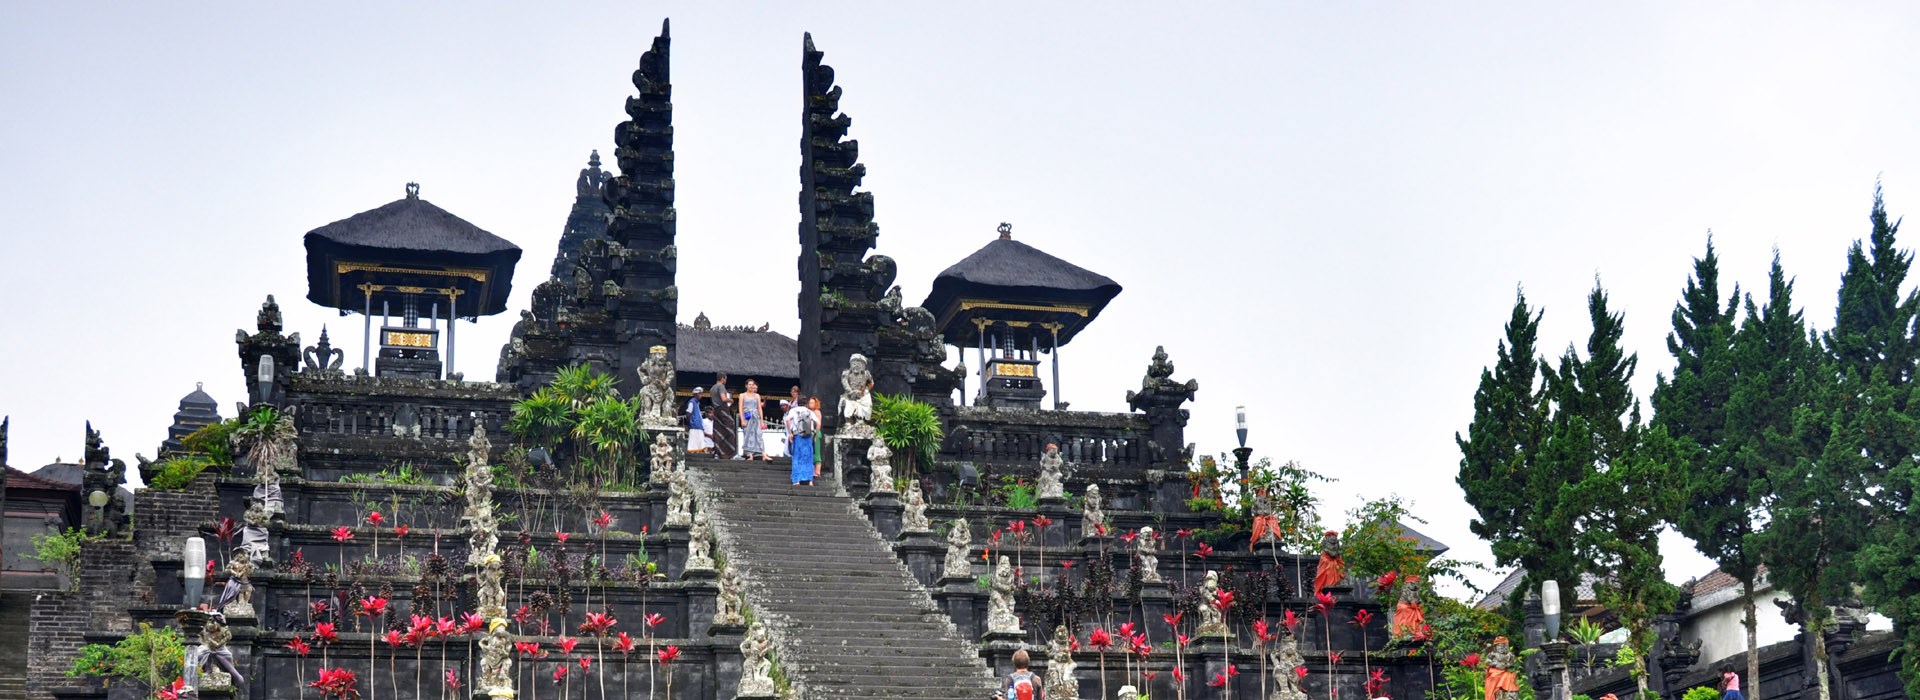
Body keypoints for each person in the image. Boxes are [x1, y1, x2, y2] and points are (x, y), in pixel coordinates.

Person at [784, 397, 818, 485]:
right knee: (808, 457)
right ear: (806, 403)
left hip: (797, 435)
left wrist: (790, 433)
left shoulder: (793, 410)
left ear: (797, 403)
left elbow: (787, 420)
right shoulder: (809, 411)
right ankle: (809, 480)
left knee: (797, 456)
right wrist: (815, 434)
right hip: (808, 436)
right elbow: (818, 423)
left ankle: (797, 480)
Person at [739, 379, 768, 461]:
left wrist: (762, 420)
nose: (751, 386)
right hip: (747, 416)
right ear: (746, 386)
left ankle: (763, 453)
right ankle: (749, 454)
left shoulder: (757, 396)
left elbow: (759, 408)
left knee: (758, 435)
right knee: (748, 435)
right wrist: (742, 420)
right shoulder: (742, 395)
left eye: (752, 384)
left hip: (755, 417)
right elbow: (740, 408)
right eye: (749, 384)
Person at [710, 373, 737, 459]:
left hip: (716, 410)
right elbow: (723, 399)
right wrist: (731, 400)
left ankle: (719, 453)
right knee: (730, 428)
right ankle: (731, 453)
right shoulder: (721, 386)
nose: (726, 381)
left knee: (718, 430)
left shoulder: (712, 388)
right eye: (725, 379)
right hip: (722, 409)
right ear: (722, 378)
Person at [685, 387, 711, 453]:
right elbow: (688, 413)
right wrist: (689, 424)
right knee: (694, 442)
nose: (701, 395)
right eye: (700, 394)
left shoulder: (697, 403)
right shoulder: (692, 402)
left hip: (698, 426)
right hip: (694, 425)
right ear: (696, 394)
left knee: (699, 441)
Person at [807, 395, 825, 480]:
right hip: (811, 433)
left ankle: (817, 471)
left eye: (812, 402)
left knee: (816, 452)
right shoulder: (809, 412)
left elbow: (818, 424)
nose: (810, 404)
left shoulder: (817, 412)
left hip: (816, 434)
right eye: (809, 402)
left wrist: (816, 434)